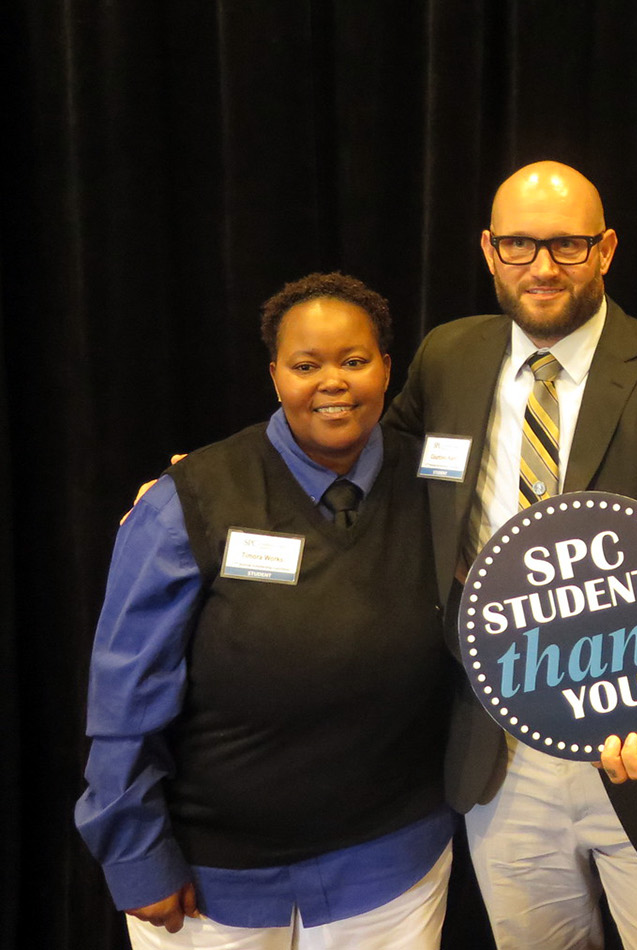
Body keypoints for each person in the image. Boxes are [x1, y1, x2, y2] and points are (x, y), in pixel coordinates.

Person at [381, 160, 637, 949]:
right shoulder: (448, 357)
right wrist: (221, 482)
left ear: (606, 248)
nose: (542, 267)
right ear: (488, 249)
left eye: (568, 245)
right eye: (518, 244)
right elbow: (374, 471)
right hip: (499, 751)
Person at [76, 273, 454, 948]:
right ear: (276, 375)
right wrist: (135, 854)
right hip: (216, 881)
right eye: (307, 365)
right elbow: (123, 695)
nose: (332, 381)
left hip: (392, 869)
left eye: (354, 361)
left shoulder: (438, 481)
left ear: (388, 369)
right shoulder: (191, 497)